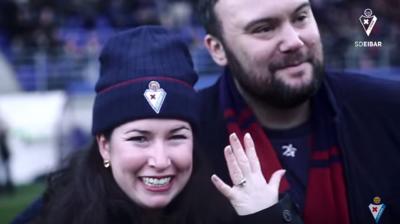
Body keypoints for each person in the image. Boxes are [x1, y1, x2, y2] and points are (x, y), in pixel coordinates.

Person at [12, 26, 292, 224]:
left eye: (176, 136)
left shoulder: (226, 207)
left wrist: (266, 217)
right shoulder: (54, 216)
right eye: (140, 138)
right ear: (105, 146)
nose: (160, 160)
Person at [196, 0, 400, 224]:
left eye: (300, 18)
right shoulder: (184, 139)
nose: (294, 41)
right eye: (264, 29)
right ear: (218, 49)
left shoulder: (388, 111)